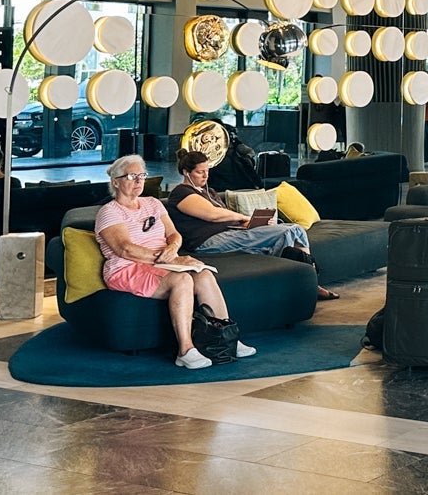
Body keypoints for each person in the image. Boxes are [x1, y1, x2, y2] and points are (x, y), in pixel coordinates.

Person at [94, 154, 255, 369]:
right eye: (132, 176)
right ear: (116, 182)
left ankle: (227, 338)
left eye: (142, 175)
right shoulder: (109, 211)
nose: (139, 181)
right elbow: (125, 249)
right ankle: (185, 350)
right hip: (126, 267)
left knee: (204, 274)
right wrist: (169, 259)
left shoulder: (152, 203)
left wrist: (172, 249)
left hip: (160, 263)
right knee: (182, 280)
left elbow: (174, 234)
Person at [167, 149, 338, 300]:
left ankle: (309, 282)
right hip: (207, 242)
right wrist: (244, 217)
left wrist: (251, 224)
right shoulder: (181, 193)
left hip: (230, 233)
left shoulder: (209, 192)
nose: (206, 176)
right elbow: (213, 215)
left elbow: (225, 218)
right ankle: (301, 284)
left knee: (296, 231)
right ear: (186, 172)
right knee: (289, 231)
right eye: (200, 172)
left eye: (207, 171)